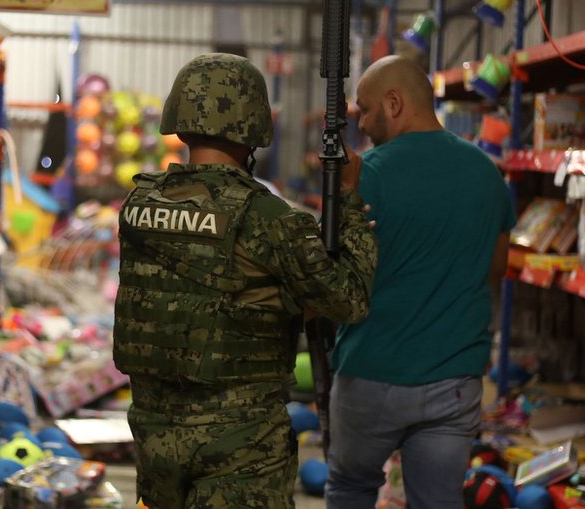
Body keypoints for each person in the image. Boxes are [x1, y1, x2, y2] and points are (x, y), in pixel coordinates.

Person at [113, 53, 377, 509]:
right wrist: (349, 203)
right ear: (253, 125)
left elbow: (199, 288)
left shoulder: (138, 205)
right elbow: (347, 300)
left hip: (156, 440)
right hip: (241, 448)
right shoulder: (267, 218)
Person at [326, 55, 515, 508]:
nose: (364, 123)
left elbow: (329, 278)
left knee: (352, 487)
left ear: (394, 103)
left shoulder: (365, 175)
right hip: (454, 379)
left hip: (372, 371)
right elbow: (497, 269)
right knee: (438, 501)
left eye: (366, 110)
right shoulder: (487, 173)